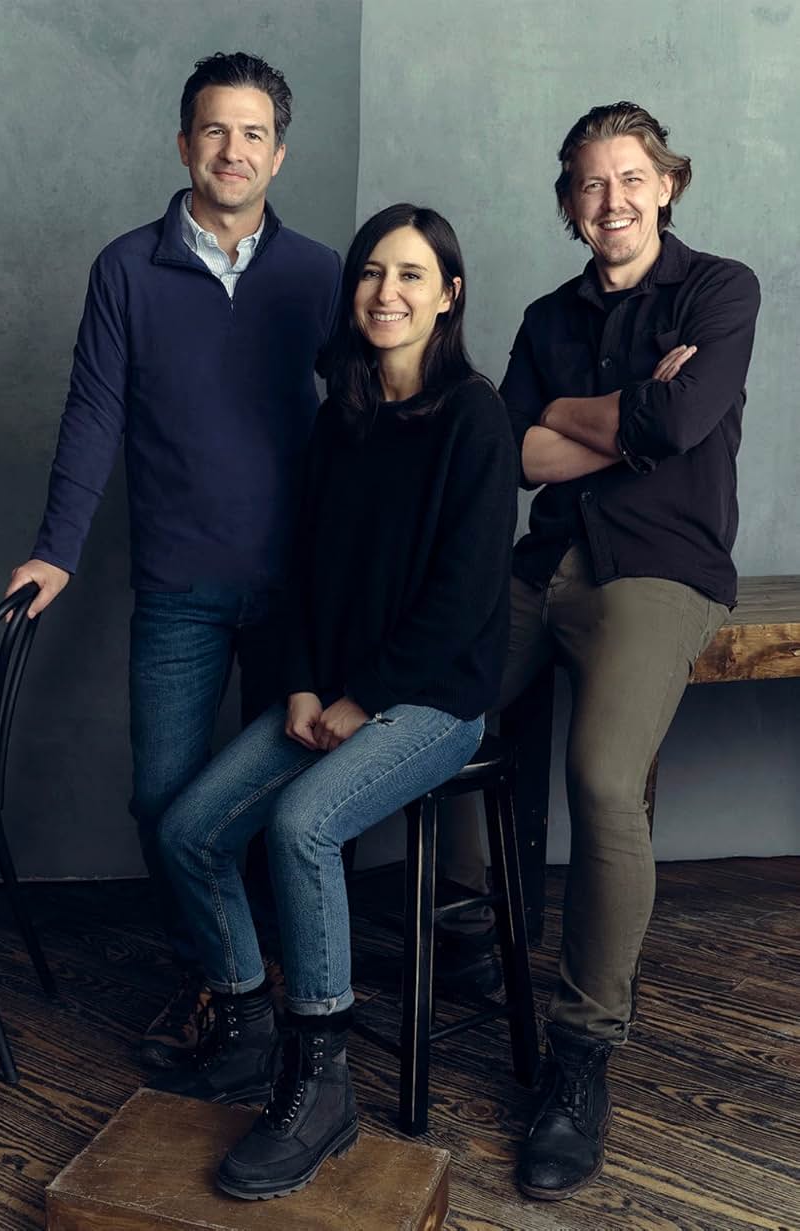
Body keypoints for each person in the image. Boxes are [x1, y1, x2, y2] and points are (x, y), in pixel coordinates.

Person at [151, 203, 518, 1201]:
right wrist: (308, 682)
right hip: (339, 691)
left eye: (410, 275)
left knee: (302, 825)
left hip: (434, 699)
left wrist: (363, 698)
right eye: (371, 273)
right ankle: (241, 1022)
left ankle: (320, 1087)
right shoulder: (341, 417)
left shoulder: (475, 416)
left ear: (449, 295)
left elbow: (465, 597)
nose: (385, 292)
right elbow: (303, 573)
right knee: (187, 827)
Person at [5, 53, 342, 1068]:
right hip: (181, 585)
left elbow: (375, 420)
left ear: (278, 153)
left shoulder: (322, 274)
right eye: (213, 130)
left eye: (252, 133)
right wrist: (55, 551)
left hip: (299, 592)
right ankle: (231, 984)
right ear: (183, 143)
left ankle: (280, 986)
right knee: (165, 800)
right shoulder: (125, 269)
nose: (231, 150)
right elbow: (92, 414)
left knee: (296, 799)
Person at [453, 101, 760, 1201]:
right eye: (589, 184)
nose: (611, 201)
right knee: (434, 720)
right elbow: (518, 455)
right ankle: (480, 941)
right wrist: (628, 410)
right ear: (569, 204)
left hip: (660, 570)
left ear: (666, 184)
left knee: (598, 776)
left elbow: (679, 430)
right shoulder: (545, 314)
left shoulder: (720, 290)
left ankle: (583, 1049)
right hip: (548, 567)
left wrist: (618, 418)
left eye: (630, 179)